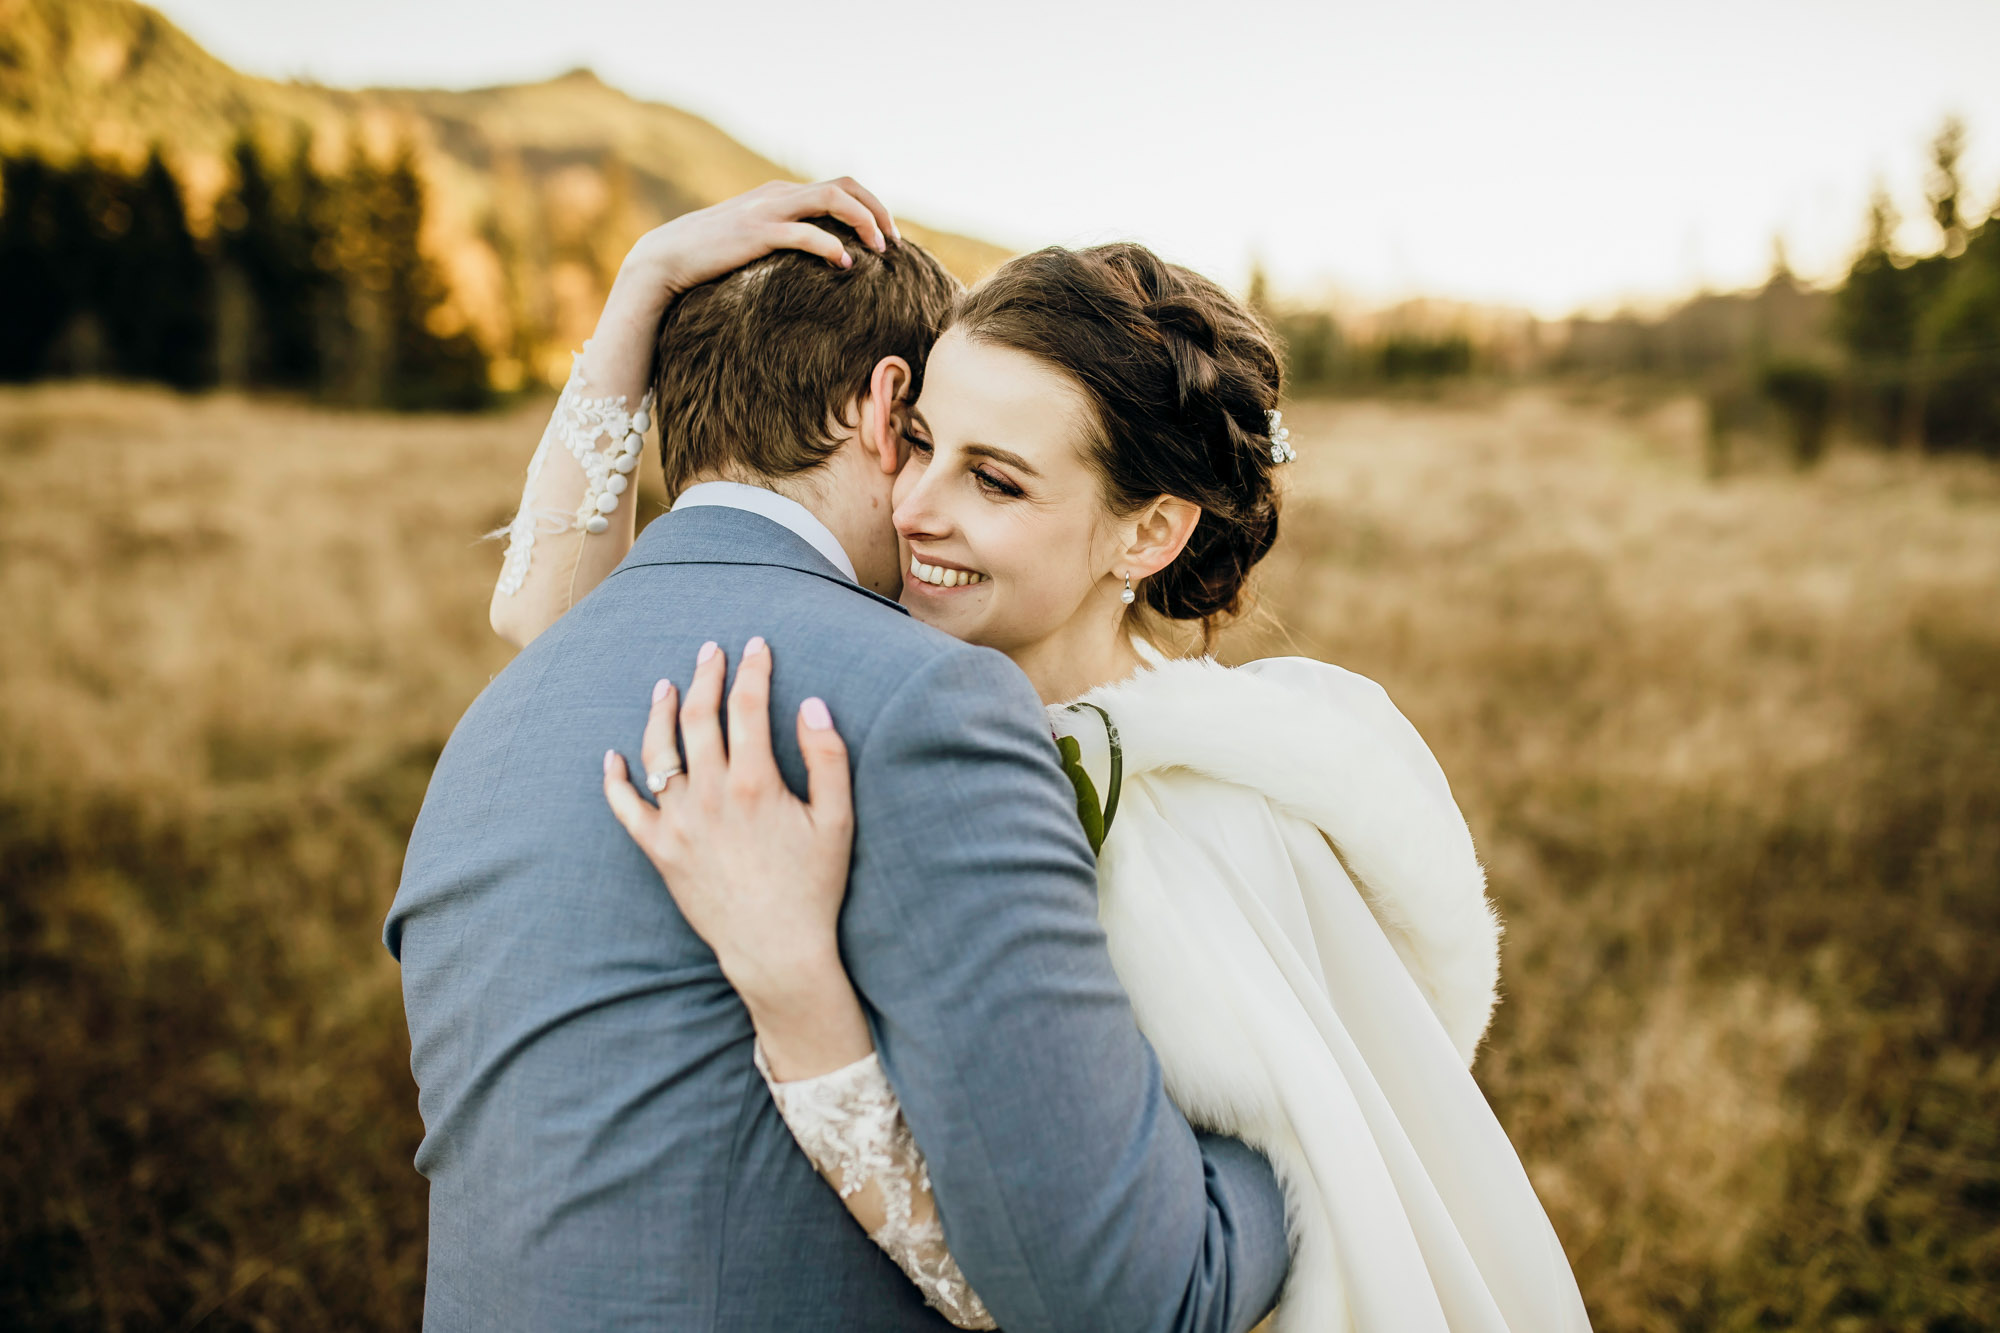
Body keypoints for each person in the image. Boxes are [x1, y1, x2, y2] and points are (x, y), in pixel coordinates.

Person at [504, 181, 1597, 1331]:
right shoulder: (893, 696)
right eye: (919, 441)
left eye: (995, 478)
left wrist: (799, 998)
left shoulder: (1200, 819)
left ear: (1148, 531)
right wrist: (642, 291)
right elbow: (557, 631)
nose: (913, 506)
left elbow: (1071, 1285)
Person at [386, 179, 1292, 1333]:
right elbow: (1141, 1299)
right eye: (927, 443)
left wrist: (640, 293)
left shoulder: (505, 719)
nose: (927, 495)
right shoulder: (921, 703)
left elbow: (536, 602)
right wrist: (1321, 1140)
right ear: (887, 408)